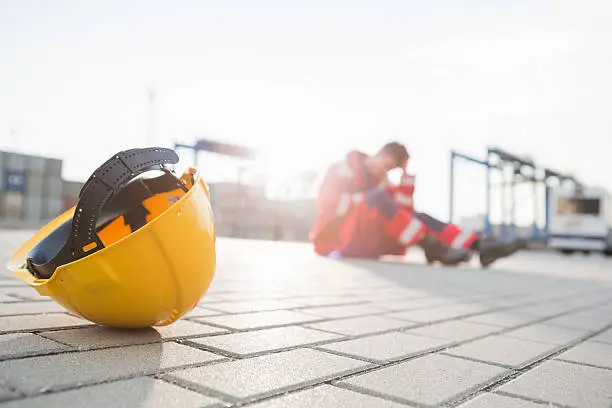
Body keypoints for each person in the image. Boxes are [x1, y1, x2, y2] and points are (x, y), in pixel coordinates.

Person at [309, 142, 526, 267]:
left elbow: (405, 213)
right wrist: (365, 198)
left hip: (370, 240)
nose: (386, 171)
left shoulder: (380, 184)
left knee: (418, 216)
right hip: (338, 241)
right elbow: (327, 206)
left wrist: (405, 176)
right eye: (388, 165)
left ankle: (479, 246)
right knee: (378, 198)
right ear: (380, 153)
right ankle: (431, 246)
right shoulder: (342, 169)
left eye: (393, 169)